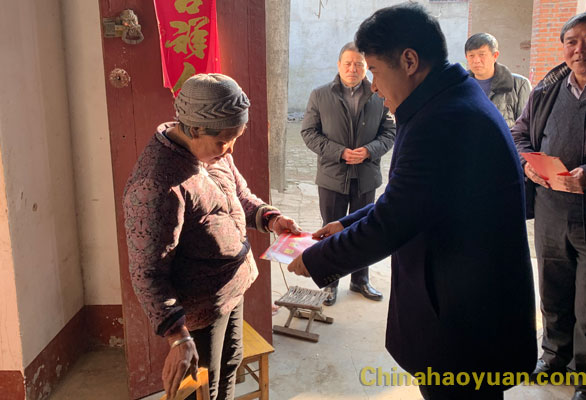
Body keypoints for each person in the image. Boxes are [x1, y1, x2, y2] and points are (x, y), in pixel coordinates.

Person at [288, 3, 536, 399]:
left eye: (374, 70)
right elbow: (415, 197)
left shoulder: (444, 119)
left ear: (408, 61)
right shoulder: (448, 101)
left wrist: (318, 259)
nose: (373, 85)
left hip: (464, 320)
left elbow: (394, 221)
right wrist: (346, 224)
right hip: (464, 304)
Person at [123, 74, 300, 400]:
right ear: (193, 129)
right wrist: (178, 337)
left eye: (235, 138)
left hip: (230, 290)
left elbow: (238, 197)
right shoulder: (156, 185)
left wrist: (272, 220)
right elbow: (147, 273)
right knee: (204, 386)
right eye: (223, 141)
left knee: (230, 363)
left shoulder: (212, 151)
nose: (230, 149)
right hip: (199, 308)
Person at [512, 11, 586, 400]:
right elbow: (519, 133)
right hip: (551, 211)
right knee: (552, 292)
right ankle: (553, 357)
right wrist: (527, 163)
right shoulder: (546, 90)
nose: (579, 49)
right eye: (571, 41)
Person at [301, 41, 395, 306]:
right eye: (348, 63)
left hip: (366, 175)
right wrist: (339, 152)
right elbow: (308, 133)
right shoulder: (320, 94)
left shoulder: (379, 94)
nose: (353, 69)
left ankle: (360, 280)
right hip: (332, 176)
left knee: (364, 230)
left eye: (359, 64)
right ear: (339, 65)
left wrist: (369, 151)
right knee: (331, 229)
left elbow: (389, 132)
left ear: (366, 67)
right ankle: (330, 283)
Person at [464, 32, 531, 128]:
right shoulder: (459, 87)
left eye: (482, 54)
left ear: (495, 55)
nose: (476, 60)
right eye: (471, 56)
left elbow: (526, 127)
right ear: (466, 57)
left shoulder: (519, 85)